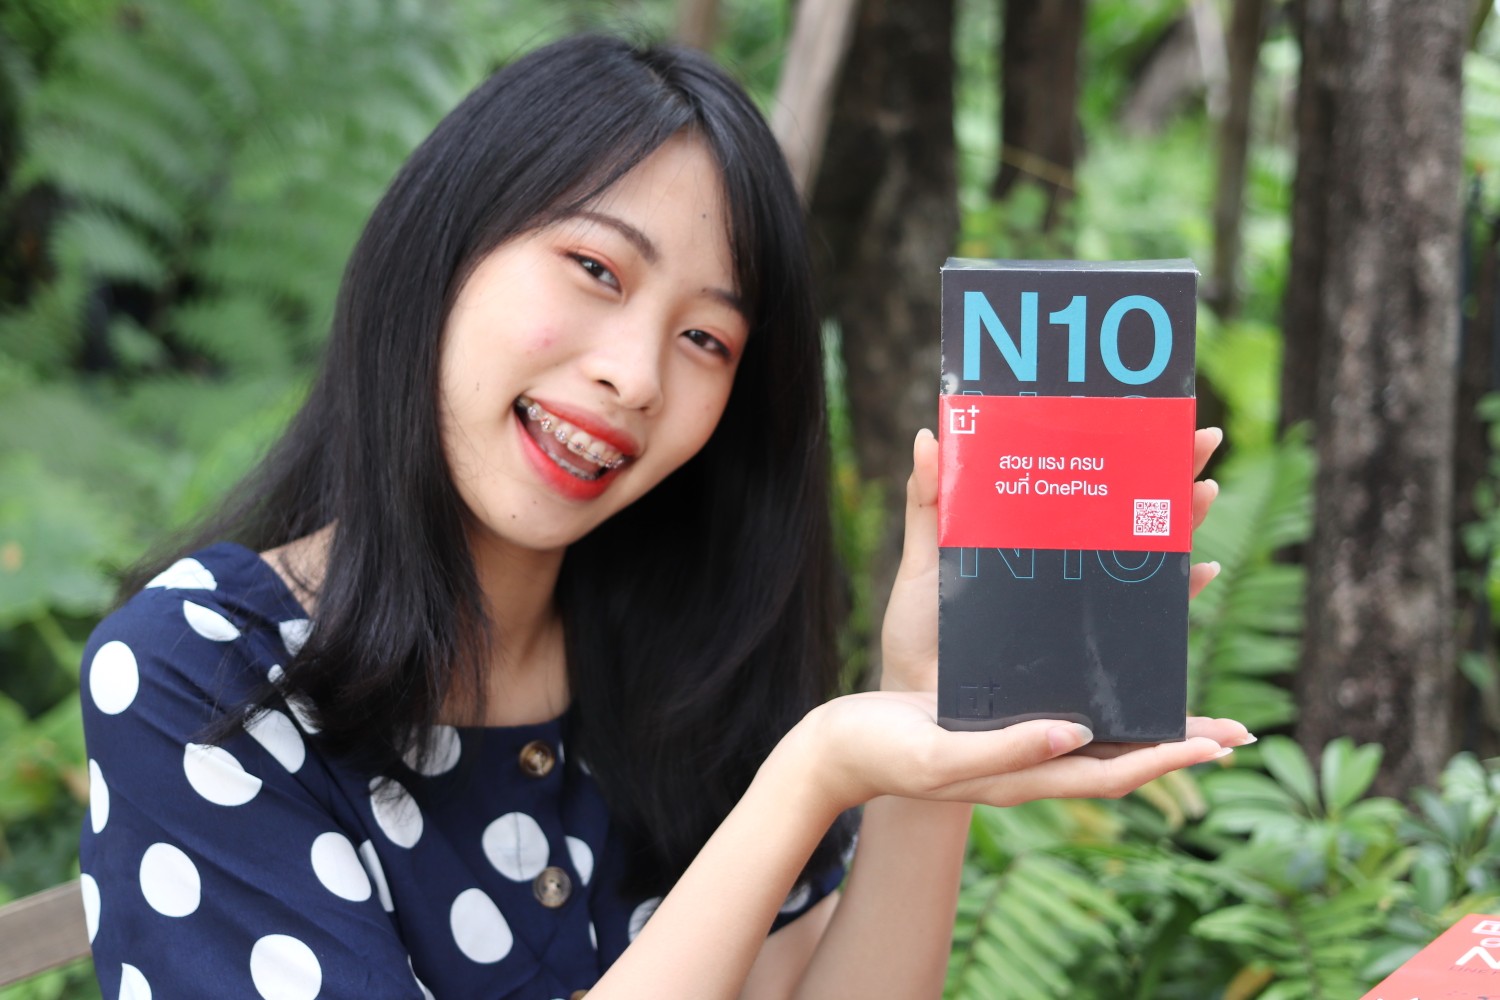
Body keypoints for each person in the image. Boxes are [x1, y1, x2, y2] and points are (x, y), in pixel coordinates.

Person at [77, 33, 1248, 1000]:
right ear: (442, 250)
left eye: (705, 338)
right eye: (596, 268)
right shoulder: (202, 675)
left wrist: (926, 728)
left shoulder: (681, 664)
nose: (635, 375)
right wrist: (811, 775)